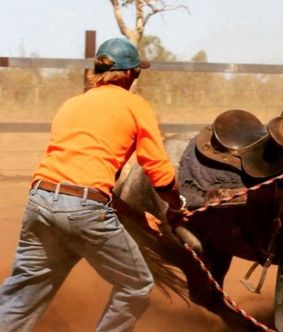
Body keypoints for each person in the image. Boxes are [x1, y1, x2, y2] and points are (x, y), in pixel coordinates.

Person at [0, 38, 186, 332]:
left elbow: (82, 179)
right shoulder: (136, 106)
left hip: (40, 202)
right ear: (130, 74)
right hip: (83, 212)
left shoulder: (71, 105)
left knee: (23, 293)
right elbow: (159, 172)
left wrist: (137, 216)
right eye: (138, 72)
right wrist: (177, 206)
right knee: (136, 284)